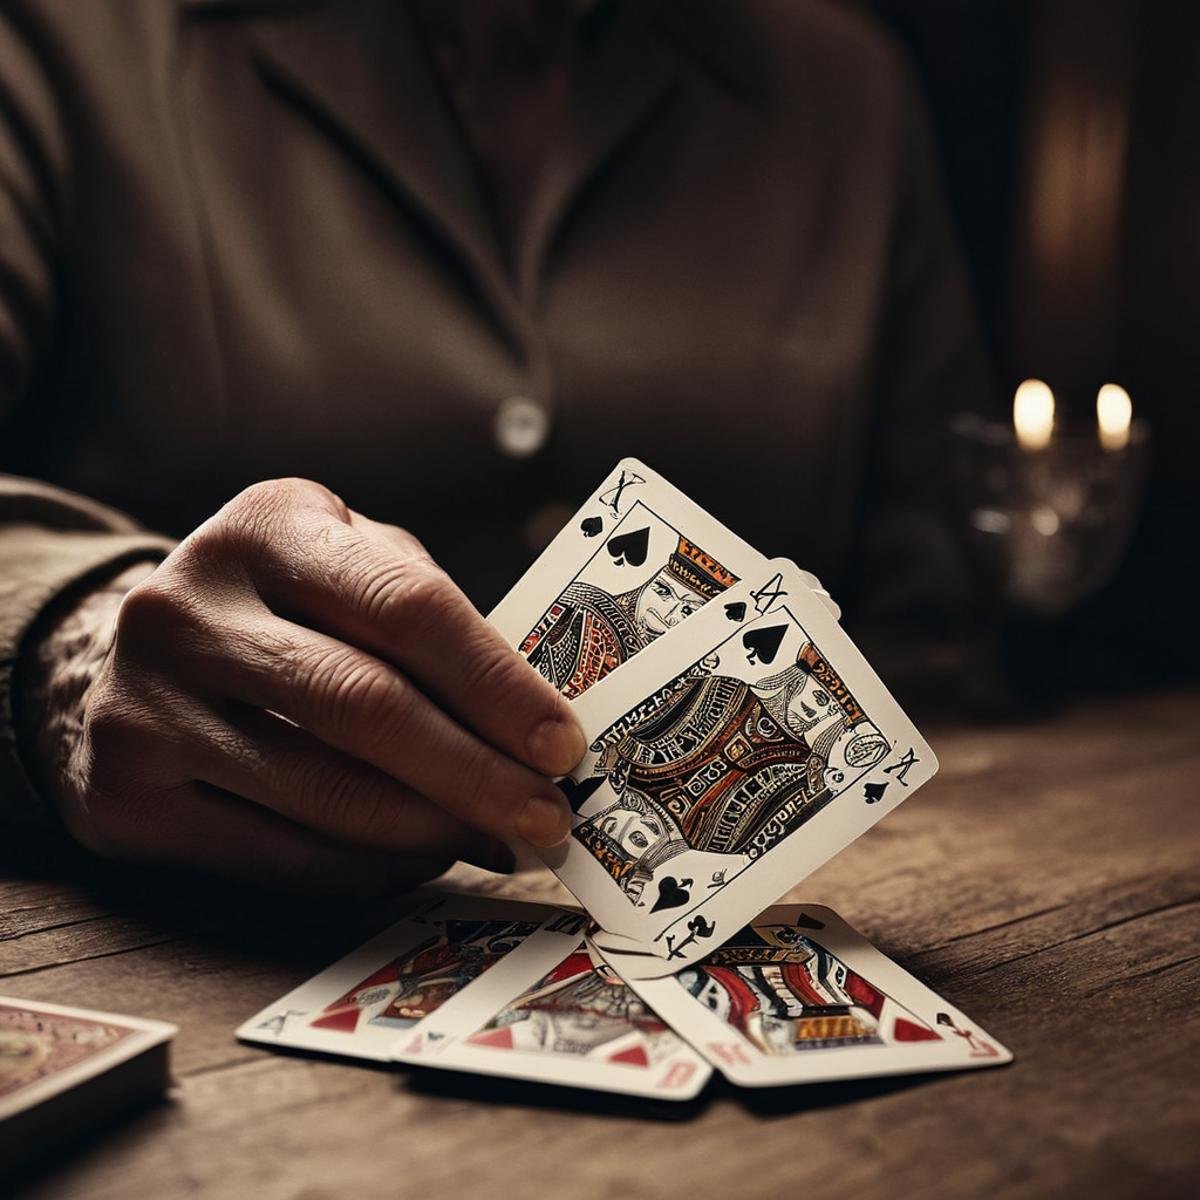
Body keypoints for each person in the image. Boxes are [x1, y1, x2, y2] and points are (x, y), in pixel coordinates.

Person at [0, 0, 991, 892]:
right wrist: (66, 648)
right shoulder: (54, 37)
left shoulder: (848, 84)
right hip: (217, 946)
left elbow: (947, 591)